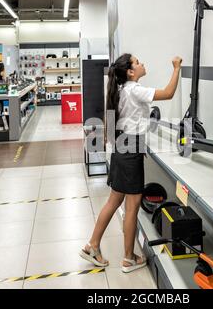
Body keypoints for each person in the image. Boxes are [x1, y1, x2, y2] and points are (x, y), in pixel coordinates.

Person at [80, 53, 182, 273]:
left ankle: (92, 246)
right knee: (132, 207)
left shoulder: (121, 90)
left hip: (122, 148)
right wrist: (176, 68)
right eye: (137, 62)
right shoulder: (134, 90)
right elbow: (168, 93)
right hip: (130, 151)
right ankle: (128, 258)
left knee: (113, 202)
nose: (142, 63)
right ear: (130, 72)